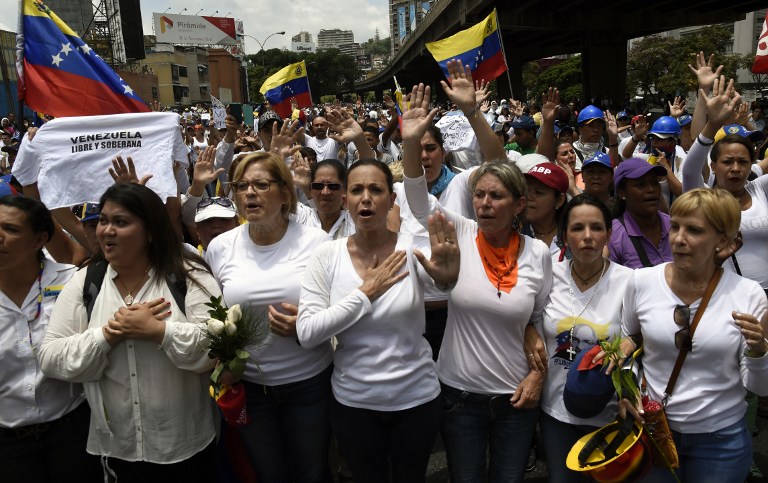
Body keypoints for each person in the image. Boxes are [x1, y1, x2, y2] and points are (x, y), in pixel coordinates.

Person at [401, 63, 552, 482]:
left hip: (517, 398)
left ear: (518, 205)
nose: (484, 202)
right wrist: (412, 143)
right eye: (479, 195)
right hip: (459, 396)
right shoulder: (460, 233)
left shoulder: (538, 254)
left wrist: (538, 371)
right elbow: (417, 199)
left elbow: (543, 322)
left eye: (496, 196)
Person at [39, 183, 221, 481]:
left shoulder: (190, 277)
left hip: (184, 444)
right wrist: (109, 334)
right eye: (103, 222)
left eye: (120, 222)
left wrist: (159, 331)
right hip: (116, 448)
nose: (106, 231)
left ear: (150, 231)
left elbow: (214, 348)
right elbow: (51, 357)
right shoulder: (85, 282)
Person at [296, 159, 459, 482]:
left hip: (417, 400)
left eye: (376, 189)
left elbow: (443, 283)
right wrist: (364, 294)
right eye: (356, 190)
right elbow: (307, 332)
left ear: (391, 200)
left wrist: (448, 279)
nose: (366, 198)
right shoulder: (327, 256)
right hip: (354, 403)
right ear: (346, 200)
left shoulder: (412, 250)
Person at [610, 188, 768, 483]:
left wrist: (759, 351)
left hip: (720, 443)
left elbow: (760, 387)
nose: (679, 238)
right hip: (655, 431)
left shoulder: (749, 295)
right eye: (676, 226)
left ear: (722, 239)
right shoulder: (641, 282)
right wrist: (628, 393)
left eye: (694, 230)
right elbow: (627, 341)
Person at [205, 151, 334, 483]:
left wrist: (305, 327)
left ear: (284, 192)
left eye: (260, 184)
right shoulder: (220, 247)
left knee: (311, 472)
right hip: (251, 389)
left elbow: (338, 311)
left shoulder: (317, 243)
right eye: (242, 186)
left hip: (309, 384)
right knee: (268, 474)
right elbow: (212, 312)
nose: (249, 193)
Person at [0, 195, 102, 482]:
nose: (0, 237)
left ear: (39, 240)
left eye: (11, 229)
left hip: (73, 433)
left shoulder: (74, 281)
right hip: (8, 446)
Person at [536, 194, 634, 482]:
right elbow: (527, 315)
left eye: (596, 228)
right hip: (556, 410)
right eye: (577, 228)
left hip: (611, 412)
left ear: (609, 234)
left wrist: (632, 342)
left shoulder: (629, 282)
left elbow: (642, 334)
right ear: (564, 234)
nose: (587, 237)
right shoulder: (548, 275)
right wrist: (531, 331)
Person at [682, 75, 768, 296]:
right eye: (727, 162)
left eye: (743, 162)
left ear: (752, 165)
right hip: (720, 295)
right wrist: (712, 124)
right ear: (713, 165)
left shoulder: (759, 188)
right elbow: (690, 169)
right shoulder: (703, 197)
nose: (736, 168)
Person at [608, 158, 672, 268]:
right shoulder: (613, 236)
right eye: (641, 185)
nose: (651, 189)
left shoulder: (675, 226)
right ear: (622, 192)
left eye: (654, 182)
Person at [521, 162, 568, 258]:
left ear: (559, 200)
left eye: (538, 192)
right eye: (526, 190)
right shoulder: (513, 234)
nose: (529, 197)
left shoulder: (575, 236)